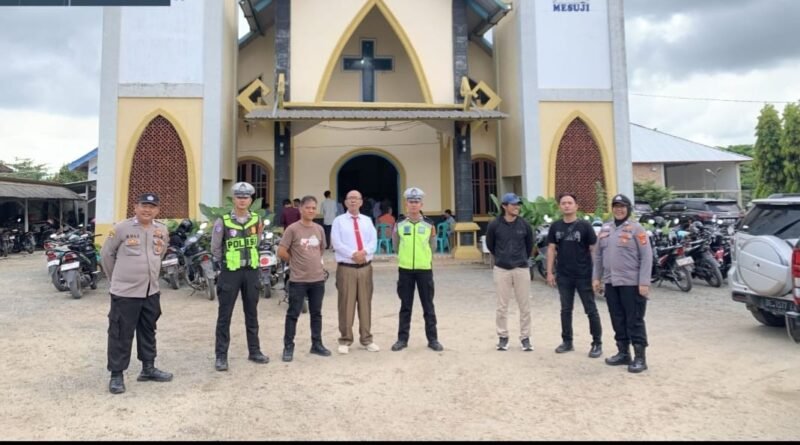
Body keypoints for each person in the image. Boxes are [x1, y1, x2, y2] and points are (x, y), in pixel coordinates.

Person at [101, 193, 172, 394]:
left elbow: (161, 253)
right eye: (144, 205)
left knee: (148, 330)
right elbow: (106, 255)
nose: (147, 210)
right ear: (135, 207)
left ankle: (148, 368)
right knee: (120, 334)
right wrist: (116, 280)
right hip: (125, 293)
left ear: (157, 210)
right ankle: (116, 375)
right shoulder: (121, 228)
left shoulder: (162, 230)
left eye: (152, 206)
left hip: (151, 291)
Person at [211, 182, 269, 372]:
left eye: (246, 197)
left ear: (250, 200)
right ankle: (221, 356)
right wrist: (225, 263)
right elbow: (215, 248)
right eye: (239, 197)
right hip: (231, 272)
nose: (242, 200)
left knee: (252, 313)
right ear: (233, 199)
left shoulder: (257, 220)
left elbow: (257, 242)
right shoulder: (223, 221)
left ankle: (255, 351)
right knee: (224, 315)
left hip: (251, 272)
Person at [592, 194, 653, 373]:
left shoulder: (637, 229)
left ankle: (640, 357)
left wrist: (644, 282)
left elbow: (646, 256)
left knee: (634, 320)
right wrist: (596, 278)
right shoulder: (605, 228)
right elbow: (598, 255)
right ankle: (623, 353)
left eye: (622, 206)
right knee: (617, 318)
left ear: (628, 209)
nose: (619, 210)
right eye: (616, 206)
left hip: (631, 283)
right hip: (611, 282)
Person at [546, 193, 603, 358]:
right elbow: (551, 249)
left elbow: (594, 250)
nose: (566, 205)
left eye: (570, 203)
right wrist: (549, 272)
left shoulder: (585, 226)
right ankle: (567, 341)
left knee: (590, 309)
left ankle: (597, 343)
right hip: (564, 275)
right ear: (560, 206)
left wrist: (596, 275)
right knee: (565, 309)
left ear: (576, 206)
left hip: (584, 274)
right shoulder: (555, 226)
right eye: (563, 203)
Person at [278, 195, 332, 362]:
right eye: (307, 207)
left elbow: (321, 250)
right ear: (300, 209)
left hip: (317, 279)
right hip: (298, 280)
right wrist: (294, 262)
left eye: (313, 208)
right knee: (293, 314)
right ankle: (288, 347)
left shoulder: (319, 229)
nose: (311, 211)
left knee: (316, 313)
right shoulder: (292, 229)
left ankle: (317, 344)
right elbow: (281, 251)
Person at [390, 187, 443, 352]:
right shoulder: (399, 224)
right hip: (405, 269)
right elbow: (396, 245)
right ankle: (402, 339)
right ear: (406, 204)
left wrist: (423, 258)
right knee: (405, 306)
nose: (413, 204)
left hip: (424, 270)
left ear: (421, 204)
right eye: (411, 201)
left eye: (416, 201)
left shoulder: (429, 224)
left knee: (428, 306)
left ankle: (433, 339)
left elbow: (433, 246)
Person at [331, 190, 379, 355]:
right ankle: (345, 339)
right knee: (346, 304)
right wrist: (354, 254)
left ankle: (366, 339)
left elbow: (373, 241)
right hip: (347, 268)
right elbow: (337, 243)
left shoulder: (367, 220)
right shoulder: (338, 221)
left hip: (365, 268)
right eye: (350, 198)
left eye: (356, 198)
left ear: (361, 202)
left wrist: (364, 252)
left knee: (365, 304)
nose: (353, 201)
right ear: (345, 202)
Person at [485, 193, 534, 352]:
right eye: (513, 204)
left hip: (521, 268)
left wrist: (521, 258)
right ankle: (503, 337)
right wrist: (502, 257)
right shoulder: (494, 225)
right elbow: (491, 245)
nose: (516, 207)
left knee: (525, 306)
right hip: (501, 269)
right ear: (504, 206)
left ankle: (525, 338)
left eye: (518, 204)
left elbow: (529, 245)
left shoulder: (524, 224)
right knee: (502, 306)